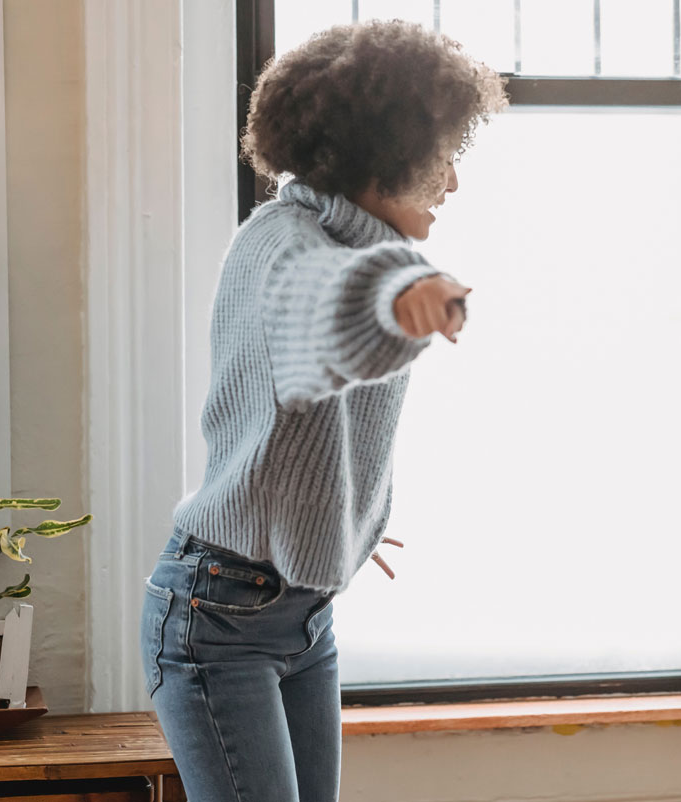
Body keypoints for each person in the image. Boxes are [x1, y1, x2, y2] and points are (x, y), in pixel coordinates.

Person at [140, 18, 507, 802]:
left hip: (302, 617)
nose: (452, 183)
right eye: (443, 157)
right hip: (219, 620)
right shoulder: (284, 243)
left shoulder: (349, 240)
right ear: (384, 156)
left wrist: (331, 515)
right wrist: (404, 299)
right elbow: (326, 307)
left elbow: (302, 410)